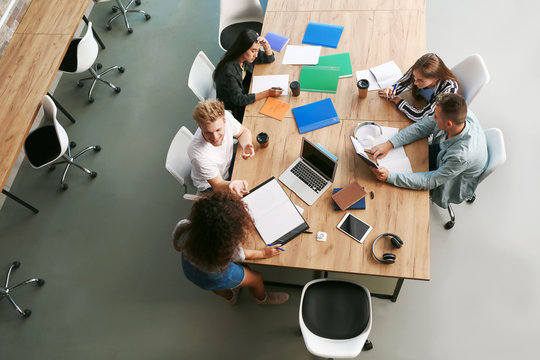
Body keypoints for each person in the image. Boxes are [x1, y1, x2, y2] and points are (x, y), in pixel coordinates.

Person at [369, 93, 487, 209]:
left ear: (449, 124)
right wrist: (389, 144)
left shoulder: (460, 156)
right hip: (446, 153)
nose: (433, 118)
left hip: (454, 177)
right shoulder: (459, 115)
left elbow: (431, 180)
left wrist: (389, 176)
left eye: (436, 116)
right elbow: (423, 127)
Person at [173, 191, 289, 306]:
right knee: (256, 278)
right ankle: (263, 299)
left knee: (214, 287)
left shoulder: (183, 226)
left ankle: (231, 298)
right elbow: (245, 255)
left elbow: (177, 247)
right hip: (217, 276)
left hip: (190, 269)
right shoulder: (227, 250)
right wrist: (263, 253)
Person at [188, 100, 254, 196]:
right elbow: (218, 184)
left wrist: (246, 145)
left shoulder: (226, 116)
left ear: (224, 121)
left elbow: (243, 132)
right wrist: (232, 184)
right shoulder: (197, 153)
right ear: (200, 126)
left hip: (226, 162)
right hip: (210, 185)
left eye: (218, 130)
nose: (215, 138)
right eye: (208, 133)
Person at [214, 29, 283, 121]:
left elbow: (269, 58)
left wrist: (266, 45)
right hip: (234, 110)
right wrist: (267, 93)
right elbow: (240, 100)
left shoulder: (245, 57)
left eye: (257, 51)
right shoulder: (229, 72)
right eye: (253, 51)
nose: (256, 55)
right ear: (242, 48)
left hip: (246, 90)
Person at [379, 53, 460, 122]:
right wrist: (392, 89)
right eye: (414, 77)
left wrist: (397, 100)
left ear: (436, 77)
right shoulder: (419, 69)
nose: (415, 82)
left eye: (420, 80)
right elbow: (403, 82)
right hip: (421, 103)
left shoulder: (448, 91)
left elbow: (420, 117)